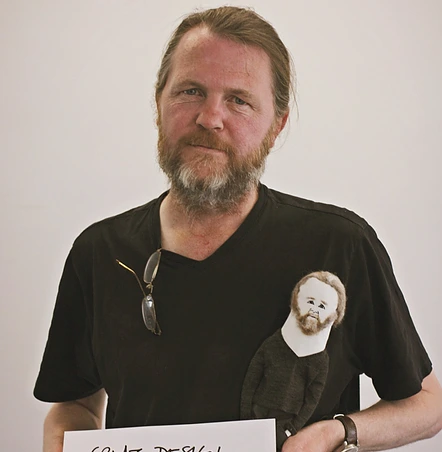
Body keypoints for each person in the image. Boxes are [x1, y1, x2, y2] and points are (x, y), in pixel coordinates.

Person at [34, 6, 442, 452]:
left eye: (239, 100)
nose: (210, 118)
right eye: (190, 91)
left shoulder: (340, 245)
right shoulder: (100, 252)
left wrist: (338, 432)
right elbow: (74, 405)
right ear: (159, 104)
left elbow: (427, 404)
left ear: (276, 125)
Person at [240, 272, 346, 450]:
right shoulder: (273, 344)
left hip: (286, 424)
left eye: (322, 305)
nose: (314, 309)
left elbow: (312, 400)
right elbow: (252, 378)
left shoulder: (320, 360)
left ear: (334, 315)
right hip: (257, 413)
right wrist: (245, 417)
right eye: (310, 302)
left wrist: (292, 428)